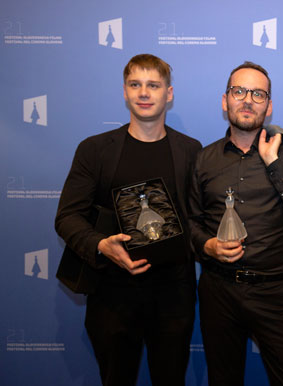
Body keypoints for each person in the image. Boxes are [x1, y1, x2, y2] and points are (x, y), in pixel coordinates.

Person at [55, 54, 201, 386]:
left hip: (173, 294)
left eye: (153, 85)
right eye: (135, 85)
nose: (144, 93)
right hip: (111, 292)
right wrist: (100, 245)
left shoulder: (191, 151)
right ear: (124, 92)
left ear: (169, 93)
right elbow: (67, 216)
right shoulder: (94, 150)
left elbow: (200, 218)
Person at [189, 61, 283, 386]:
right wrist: (207, 245)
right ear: (225, 101)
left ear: (269, 105)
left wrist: (274, 165)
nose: (248, 100)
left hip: (274, 293)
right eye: (239, 91)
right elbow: (190, 222)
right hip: (218, 290)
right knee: (223, 379)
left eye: (258, 94)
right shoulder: (203, 159)